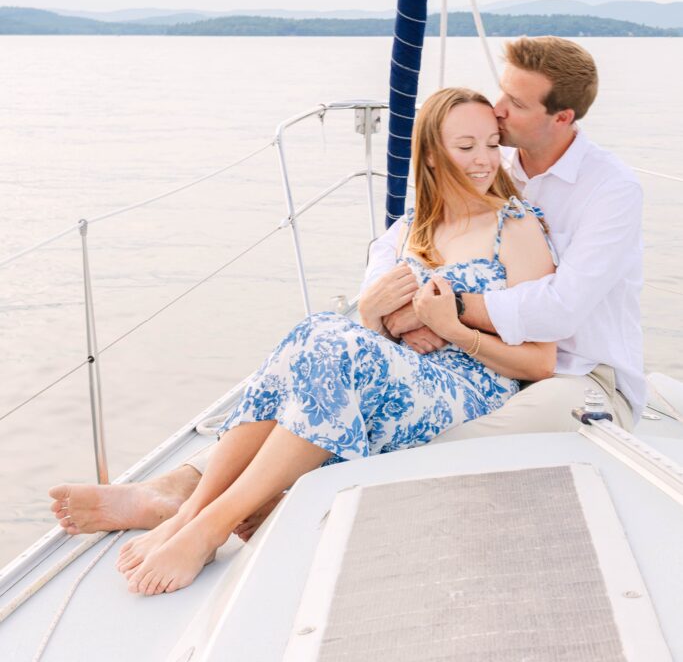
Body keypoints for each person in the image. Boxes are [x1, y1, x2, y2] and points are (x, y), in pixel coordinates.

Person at [53, 86, 556, 595]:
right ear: (430, 153)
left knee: (335, 342)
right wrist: (386, 320)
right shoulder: (413, 230)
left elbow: (542, 363)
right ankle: (193, 512)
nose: (484, 160)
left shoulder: (514, 227)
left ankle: (210, 524)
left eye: (492, 144)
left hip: (468, 387)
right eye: (466, 146)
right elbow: (378, 326)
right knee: (317, 328)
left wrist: (452, 330)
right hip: (401, 376)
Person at [380, 36, 643, 439]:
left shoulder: (610, 189)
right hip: (484, 364)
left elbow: (560, 309)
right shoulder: (489, 160)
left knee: (442, 444)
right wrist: (384, 305)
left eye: (517, 103)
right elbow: (400, 236)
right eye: (503, 90)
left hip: (579, 376)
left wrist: (442, 308)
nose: (498, 109)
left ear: (561, 117)